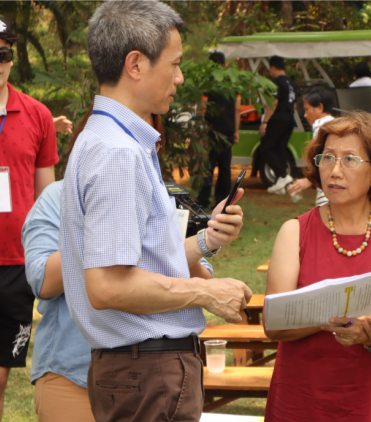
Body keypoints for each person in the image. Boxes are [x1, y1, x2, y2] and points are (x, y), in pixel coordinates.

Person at [59, 1, 253, 421]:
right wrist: (207, 292)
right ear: (135, 64)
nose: (180, 78)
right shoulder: (117, 152)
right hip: (149, 372)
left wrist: (206, 240)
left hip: (138, 371)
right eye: (176, 64)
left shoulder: (112, 141)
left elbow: (142, 259)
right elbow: (109, 285)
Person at [263, 111, 371, 421]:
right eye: (327, 158)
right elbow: (273, 324)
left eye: (349, 160)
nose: (334, 171)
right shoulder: (294, 232)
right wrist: (336, 321)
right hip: (301, 396)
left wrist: (369, 334)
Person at [0, 16, 59, 420]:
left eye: (2, 53)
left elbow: (47, 201)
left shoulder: (37, 115)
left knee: (1, 373)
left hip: (16, 262)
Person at [197, 51, 241, 210]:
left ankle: (203, 200)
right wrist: (236, 131)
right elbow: (237, 108)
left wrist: (199, 130)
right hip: (227, 131)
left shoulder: (208, 82)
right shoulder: (232, 82)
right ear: (224, 65)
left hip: (210, 132)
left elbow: (202, 108)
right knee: (225, 167)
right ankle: (223, 201)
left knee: (208, 165)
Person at [287, 87, 334, 206]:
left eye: (307, 110)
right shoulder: (335, 123)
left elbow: (325, 157)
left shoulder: (321, 125)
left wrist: (309, 180)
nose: (305, 115)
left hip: (327, 192)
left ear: (320, 107)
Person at [262, 55, 298, 194]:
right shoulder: (291, 83)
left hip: (278, 118)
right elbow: (294, 104)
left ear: (273, 67)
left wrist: (265, 121)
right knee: (280, 148)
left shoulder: (275, 82)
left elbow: (273, 102)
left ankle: (283, 175)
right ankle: (281, 182)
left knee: (265, 147)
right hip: (289, 118)